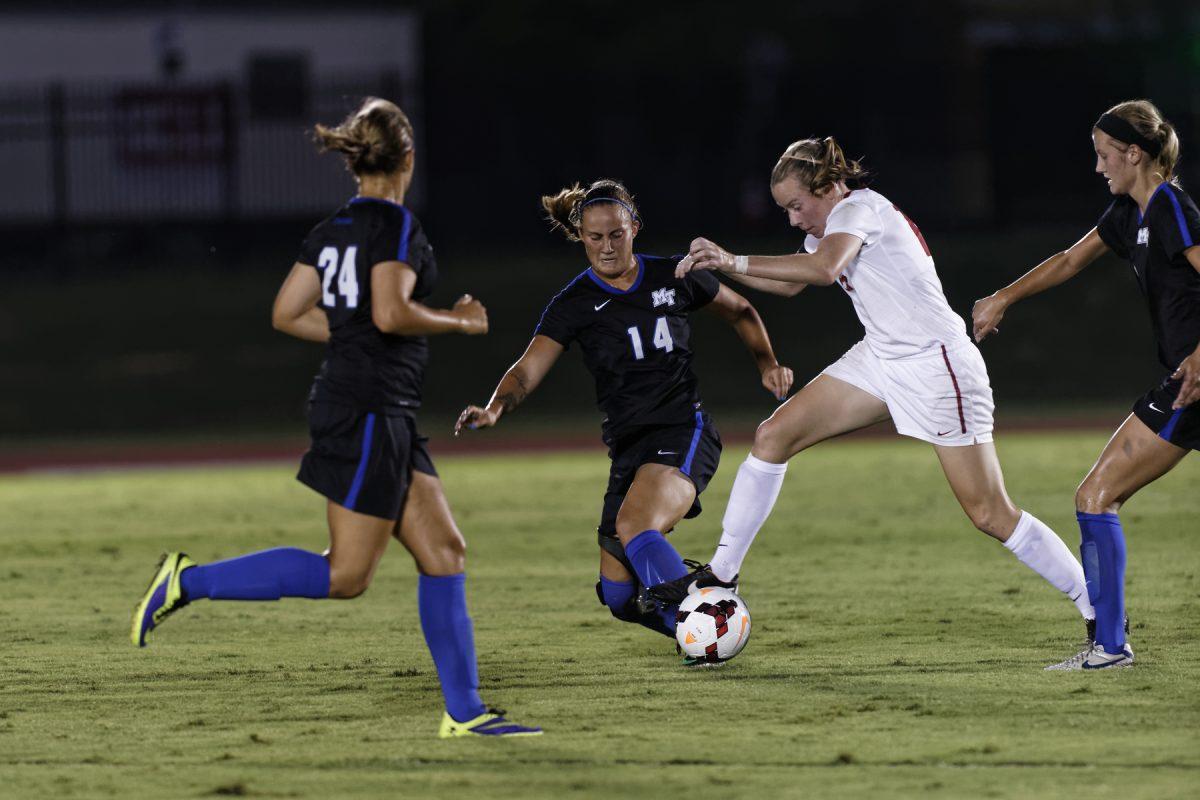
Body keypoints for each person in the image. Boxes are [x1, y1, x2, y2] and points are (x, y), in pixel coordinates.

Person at [130, 97, 540, 737]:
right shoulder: (397, 226)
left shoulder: (332, 230)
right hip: (368, 410)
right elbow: (390, 313)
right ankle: (189, 580)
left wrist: (352, 337)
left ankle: (465, 712)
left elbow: (288, 312)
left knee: (444, 552)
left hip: (379, 409)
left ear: (356, 161)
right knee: (346, 575)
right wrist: (460, 320)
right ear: (408, 157)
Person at [656, 137, 1096, 662]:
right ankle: (722, 573)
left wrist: (735, 258)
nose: (794, 220)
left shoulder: (861, 208)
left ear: (826, 188)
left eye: (797, 206)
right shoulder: (834, 223)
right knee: (773, 435)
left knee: (989, 513)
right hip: (882, 357)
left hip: (938, 367)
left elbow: (821, 271)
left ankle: (1098, 608)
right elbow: (794, 284)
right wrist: (722, 266)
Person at [455, 179, 792, 659]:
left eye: (616, 234)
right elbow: (527, 370)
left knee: (636, 525)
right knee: (618, 598)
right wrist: (494, 408)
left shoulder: (673, 275)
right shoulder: (574, 304)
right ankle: (691, 628)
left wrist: (767, 364)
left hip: (683, 430)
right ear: (581, 237)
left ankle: (714, 621)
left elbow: (740, 311)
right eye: (595, 238)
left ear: (634, 227)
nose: (607, 246)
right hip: (628, 448)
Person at [972, 100, 1200, 670]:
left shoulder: (1171, 206)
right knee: (1095, 497)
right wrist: (1004, 296)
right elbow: (1070, 260)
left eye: (1104, 155)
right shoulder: (1130, 213)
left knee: (1095, 497)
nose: (1098, 168)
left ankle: (1110, 647)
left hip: (1191, 385)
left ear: (1134, 153)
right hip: (1182, 381)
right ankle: (1109, 644)